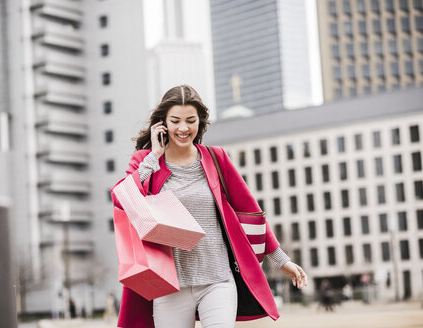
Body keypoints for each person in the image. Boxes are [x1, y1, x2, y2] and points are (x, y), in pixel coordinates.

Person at [111, 85, 308, 328]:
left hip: (218, 280)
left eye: (190, 120)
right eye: (175, 121)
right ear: (162, 124)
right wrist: (153, 156)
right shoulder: (145, 161)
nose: (183, 128)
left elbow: (250, 213)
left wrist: (281, 260)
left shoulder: (217, 159)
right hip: (171, 285)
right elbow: (122, 198)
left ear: (200, 122)